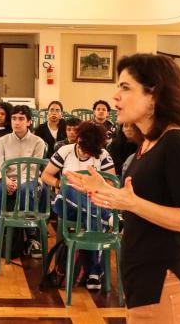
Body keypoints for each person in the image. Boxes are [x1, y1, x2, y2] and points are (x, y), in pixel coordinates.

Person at [66, 54, 180, 323]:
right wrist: (105, 188)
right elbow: (142, 197)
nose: (115, 96)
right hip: (140, 274)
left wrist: (130, 203)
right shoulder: (149, 142)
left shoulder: (175, 143)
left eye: (125, 87)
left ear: (154, 96)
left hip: (162, 278)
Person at [41, 121, 115, 289]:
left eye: (90, 150)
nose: (84, 152)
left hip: (92, 202)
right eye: (83, 147)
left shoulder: (102, 155)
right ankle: (108, 218)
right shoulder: (65, 151)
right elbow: (46, 176)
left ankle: (94, 273)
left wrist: (92, 188)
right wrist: (61, 184)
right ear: (79, 139)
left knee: (93, 218)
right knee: (70, 188)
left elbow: (112, 183)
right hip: (67, 204)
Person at [0, 105, 46, 258]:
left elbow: (35, 170)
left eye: (21, 119)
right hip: (7, 179)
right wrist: (5, 180)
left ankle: (31, 237)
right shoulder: (3, 141)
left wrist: (17, 183)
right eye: (14, 118)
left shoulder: (38, 142)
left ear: (29, 122)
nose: (17, 122)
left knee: (25, 190)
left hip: (29, 180)